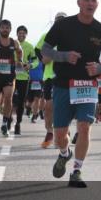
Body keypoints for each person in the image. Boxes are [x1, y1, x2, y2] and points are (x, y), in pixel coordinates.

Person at [41, 0, 101, 188]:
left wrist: (100, 68)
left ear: (97, 4)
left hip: (87, 85)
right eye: (86, 0)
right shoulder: (63, 25)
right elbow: (45, 50)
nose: (90, 3)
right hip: (63, 84)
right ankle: (64, 153)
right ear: (78, 3)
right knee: (60, 135)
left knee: (84, 127)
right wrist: (64, 56)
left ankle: (77, 170)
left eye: (93, 1)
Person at [35, 12, 66, 148]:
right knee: (49, 107)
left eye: (62, 20)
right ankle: (49, 132)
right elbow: (37, 49)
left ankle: (62, 132)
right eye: (58, 20)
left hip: (65, 76)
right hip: (50, 76)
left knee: (63, 107)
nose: (60, 22)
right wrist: (42, 59)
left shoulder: (70, 37)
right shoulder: (47, 36)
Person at [10, 25, 36, 136]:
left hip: (24, 78)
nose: (21, 35)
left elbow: (36, 60)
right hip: (11, 76)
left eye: (23, 33)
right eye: (20, 33)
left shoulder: (29, 46)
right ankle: (8, 118)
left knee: (21, 102)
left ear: (26, 35)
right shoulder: (12, 44)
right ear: (17, 34)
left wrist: (30, 65)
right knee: (9, 100)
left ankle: (18, 124)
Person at [26, 47, 46, 123]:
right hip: (31, 81)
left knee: (37, 99)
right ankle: (29, 109)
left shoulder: (43, 61)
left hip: (40, 82)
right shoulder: (30, 60)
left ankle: (34, 116)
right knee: (29, 101)